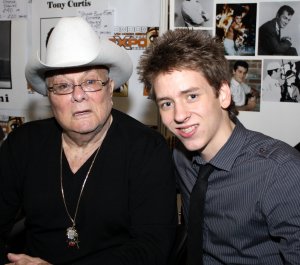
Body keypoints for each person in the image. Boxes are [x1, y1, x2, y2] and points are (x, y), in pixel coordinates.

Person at [0, 17, 177, 265]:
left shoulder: (147, 149)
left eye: (91, 82)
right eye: (62, 86)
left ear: (110, 88)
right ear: (49, 96)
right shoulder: (23, 144)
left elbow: (153, 247)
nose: (78, 95)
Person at [137, 28, 300, 264]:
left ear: (223, 94)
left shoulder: (280, 171)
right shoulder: (180, 158)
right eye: (166, 103)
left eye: (191, 96)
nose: (179, 115)